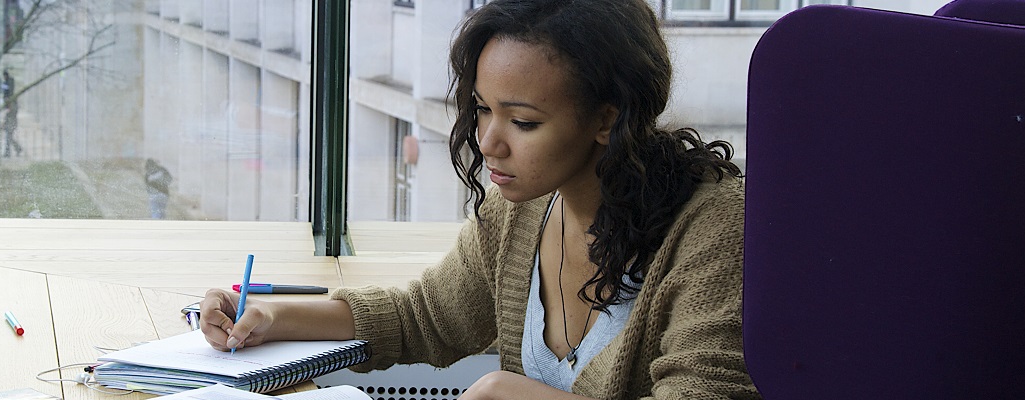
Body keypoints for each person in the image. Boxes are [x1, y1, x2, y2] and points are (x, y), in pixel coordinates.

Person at [197, 1, 754, 399]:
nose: (489, 142)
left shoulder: (716, 230)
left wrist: (506, 394)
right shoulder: (522, 209)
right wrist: (271, 317)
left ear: (608, 118)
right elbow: (422, 318)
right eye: (483, 109)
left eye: (524, 121)